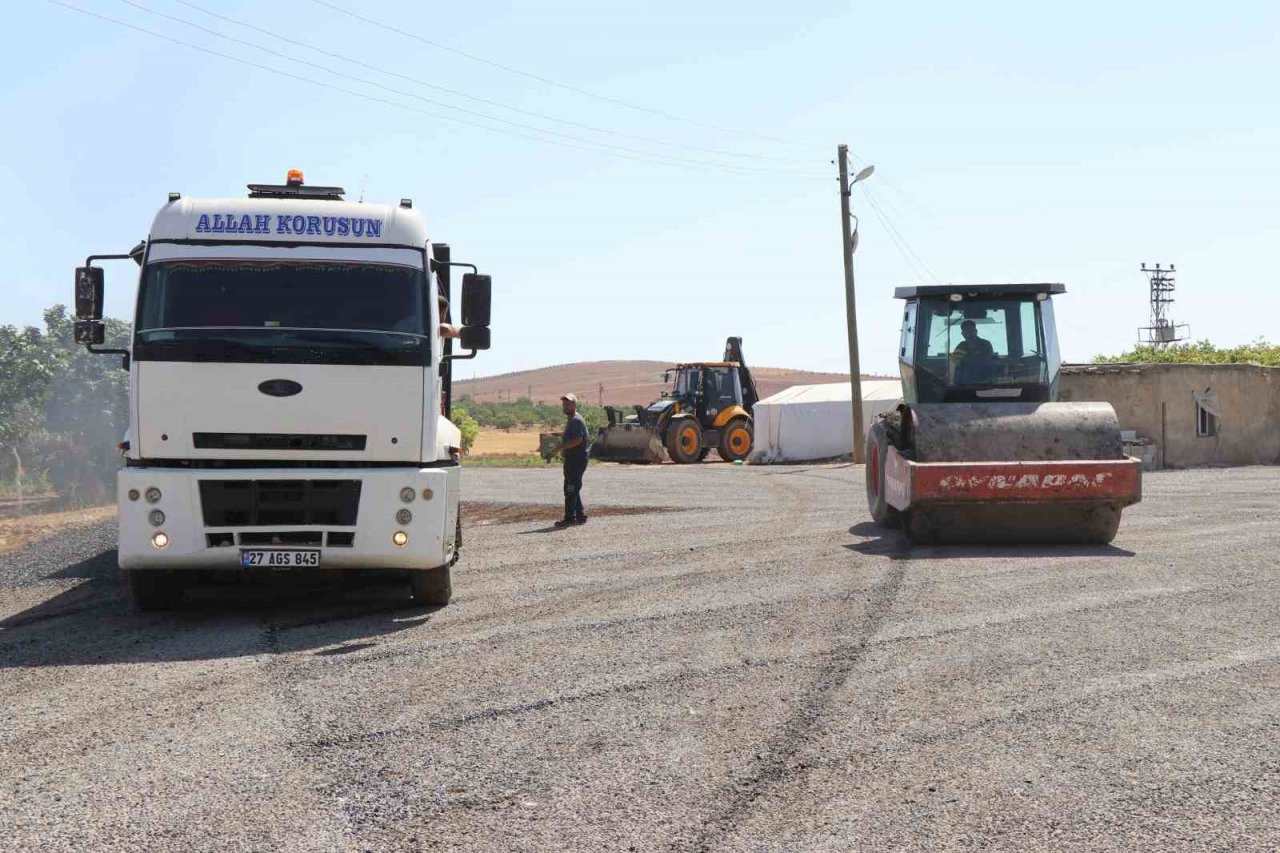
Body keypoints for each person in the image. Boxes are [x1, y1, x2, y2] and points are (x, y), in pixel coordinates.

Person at [545, 393, 589, 527]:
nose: (566, 407)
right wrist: (560, 435)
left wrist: (559, 447)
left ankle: (569, 518)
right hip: (575, 458)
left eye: (568, 404)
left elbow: (578, 440)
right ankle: (580, 516)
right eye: (564, 405)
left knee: (570, 488)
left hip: (576, 459)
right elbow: (574, 436)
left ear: (574, 405)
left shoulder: (575, 420)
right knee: (573, 487)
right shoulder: (574, 419)